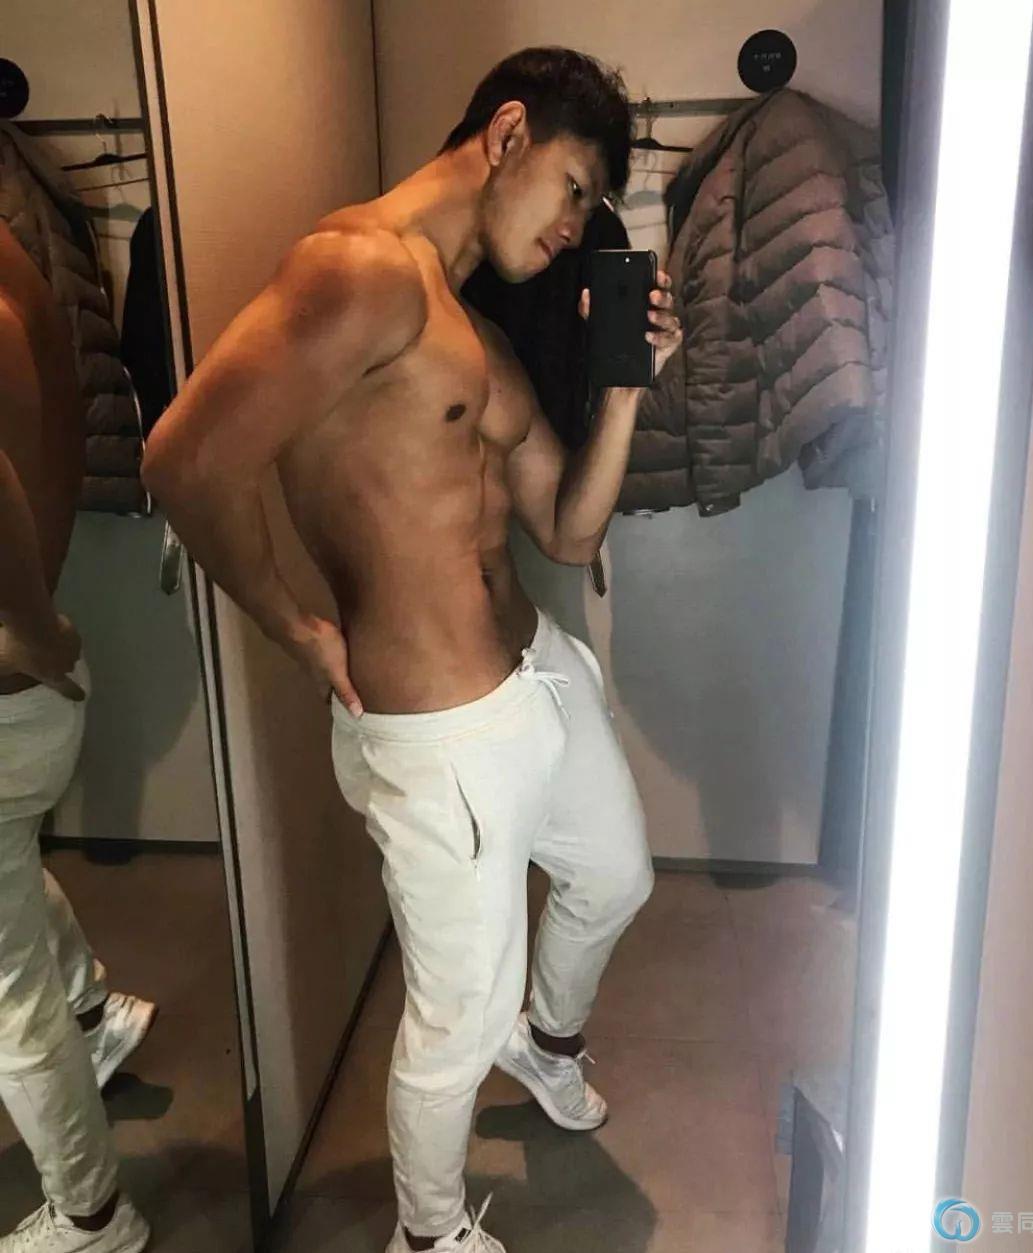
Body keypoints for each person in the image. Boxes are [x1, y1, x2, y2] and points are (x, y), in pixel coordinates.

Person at [142, 46, 682, 1253]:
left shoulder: (471, 328)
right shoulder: (358, 273)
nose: (576, 225)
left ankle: (547, 1045)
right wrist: (295, 624)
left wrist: (628, 388)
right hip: (443, 733)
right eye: (575, 188)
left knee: (615, 877)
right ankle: (430, 1234)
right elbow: (185, 461)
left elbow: (567, 528)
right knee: (455, 1017)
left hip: (538, 673)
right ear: (507, 133)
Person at [0, 219, 154, 1253]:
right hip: (23, 687)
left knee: (6, 998)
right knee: (10, 870)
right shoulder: (14, 251)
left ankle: (93, 1213)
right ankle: (98, 1016)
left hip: (12, 680)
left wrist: (31, 628)